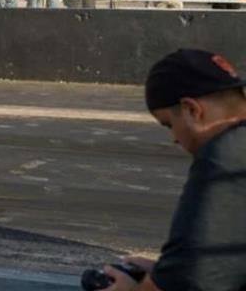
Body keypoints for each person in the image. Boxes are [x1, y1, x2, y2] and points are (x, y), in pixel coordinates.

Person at [91, 49, 246, 291]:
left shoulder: (227, 154)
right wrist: (167, 271)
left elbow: (194, 280)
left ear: (192, 110)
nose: (174, 138)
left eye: (169, 125)